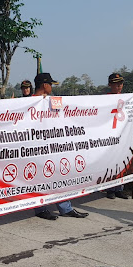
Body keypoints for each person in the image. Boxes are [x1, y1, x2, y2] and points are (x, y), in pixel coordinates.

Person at [32, 73, 89, 220]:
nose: (51, 87)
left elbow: (64, 116)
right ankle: (40, 208)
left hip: (54, 147)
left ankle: (65, 208)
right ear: (44, 85)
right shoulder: (29, 103)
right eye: (50, 84)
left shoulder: (53, 101)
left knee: (59, 176)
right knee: (40, 180)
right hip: (37, 149)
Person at [104, 73, 133, 200]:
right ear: (110, 84)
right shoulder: (104, 99)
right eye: (116, 84)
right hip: (110, 135)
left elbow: (131, 116)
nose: (119, 86)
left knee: (121, 161)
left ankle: (119, 188)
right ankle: (109, 188)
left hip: (122, 136)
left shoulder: (127, 98)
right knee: (110, 163)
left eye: (120, 83)